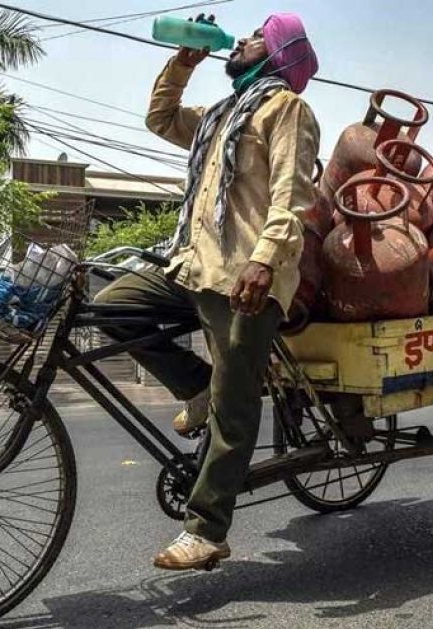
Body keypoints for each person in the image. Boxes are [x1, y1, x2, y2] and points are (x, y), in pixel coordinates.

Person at [94, 12, 320, 570]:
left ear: (273, 54)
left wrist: (265, 263)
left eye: (253, 38)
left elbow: (293, 197)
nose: (238, 41)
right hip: (193, 267)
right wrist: (182, 63)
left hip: (247, 279)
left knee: (234, 404)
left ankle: (207, 529)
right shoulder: (222, 115)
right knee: (113, 308)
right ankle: (197, 388)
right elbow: (160, 117)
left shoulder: (287, 109)